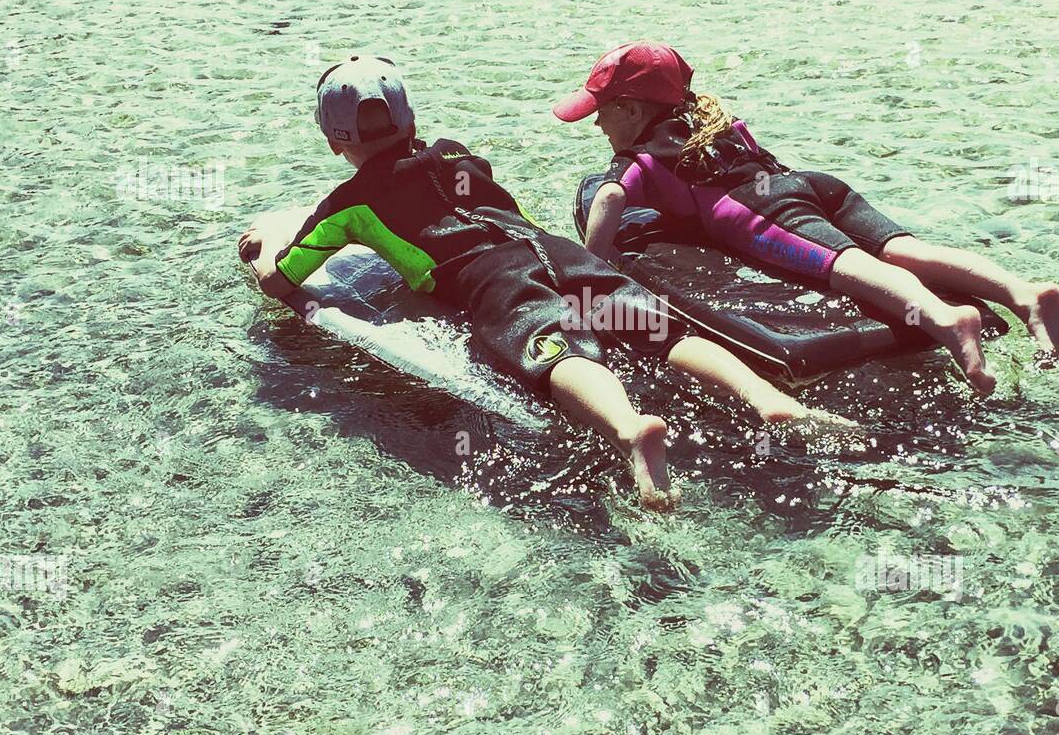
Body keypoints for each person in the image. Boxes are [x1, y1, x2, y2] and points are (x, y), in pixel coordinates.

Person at [239, 55, 854, 509]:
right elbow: (498, 205)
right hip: (554, 251)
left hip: (493, 278)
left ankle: (629, 429)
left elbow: (284, 280)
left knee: (555, 349)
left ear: (332, 139)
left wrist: (267, 246)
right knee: (655, 330)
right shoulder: (456, 155)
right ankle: (769, 400)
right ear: (412, 118)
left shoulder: (349, 203)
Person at [556, 42, 1059, 395]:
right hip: (811, 184)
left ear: (628, 109)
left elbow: (608, 200)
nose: (597, 122)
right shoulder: (704, 120)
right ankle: (1022, 293)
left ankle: (946, 319)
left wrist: (595, 269)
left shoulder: (645, 152)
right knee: (903, 250)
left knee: (846, 266)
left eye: (601, 110)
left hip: (760, 213)